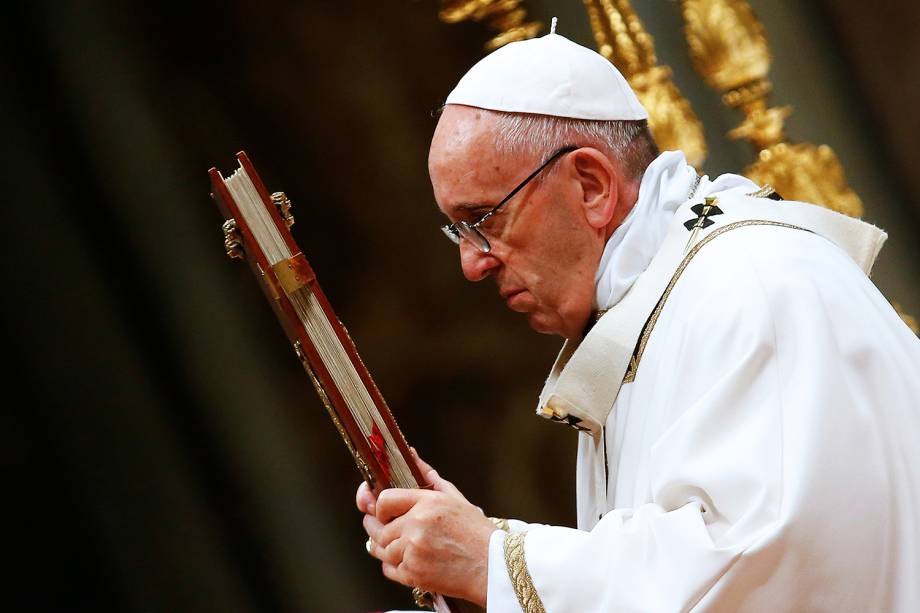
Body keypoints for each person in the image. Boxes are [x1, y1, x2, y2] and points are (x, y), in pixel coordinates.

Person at [357, 27, 920, 612]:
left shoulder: (752, 283)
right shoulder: (644, 316)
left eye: (484, 218)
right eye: (457, 229)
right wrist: (473, 552)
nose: (471, 262)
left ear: (592, 185)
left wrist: (491, 559)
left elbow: (756, 569)